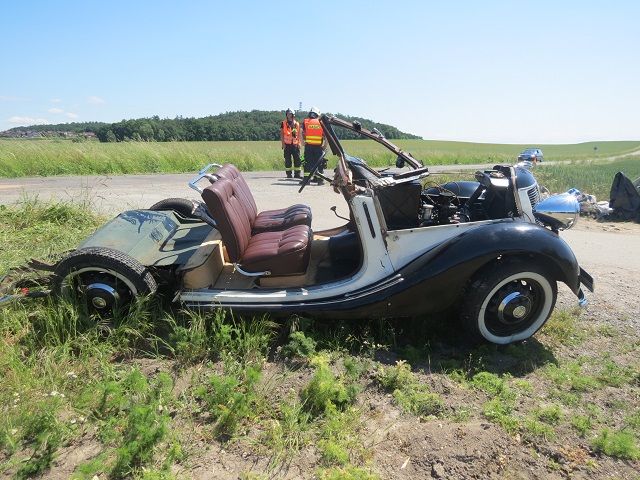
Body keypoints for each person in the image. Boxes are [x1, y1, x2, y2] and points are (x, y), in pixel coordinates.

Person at [301, 106, 326, 185]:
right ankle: (320, 180)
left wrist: (302, 142)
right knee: (319, 164)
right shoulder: (321, 122)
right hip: (319, 147)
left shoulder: (306, 122)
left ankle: (306, 181)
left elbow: (300, 131)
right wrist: (325, 145)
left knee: (307, 163)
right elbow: (327, 136)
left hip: (308, 147)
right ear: (318, 114)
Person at [280, 108, 302, 179]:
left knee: (297, 160)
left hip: (295, 144)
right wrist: (283, 143)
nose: (289, 115)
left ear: (293, 115)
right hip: (287, 145)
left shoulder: (297, 124)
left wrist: (299, 143)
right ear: (286, 115)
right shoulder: (283, 123)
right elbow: (282, 134)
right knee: (288, 160)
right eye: (288, 114)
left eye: (290, 114)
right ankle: (289, 174)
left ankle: (297, 174)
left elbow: (299, 134)